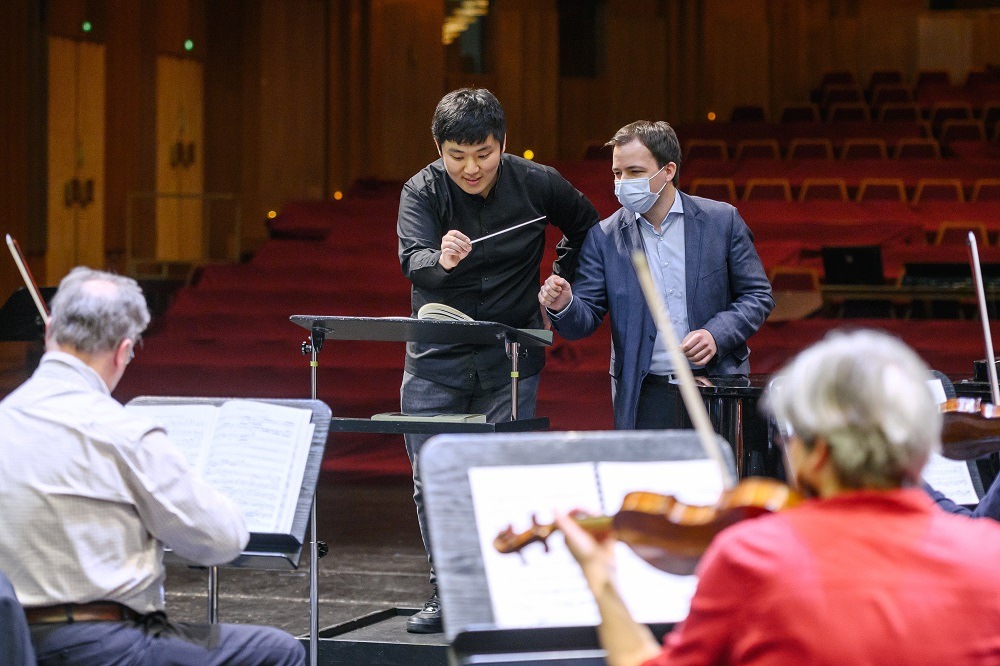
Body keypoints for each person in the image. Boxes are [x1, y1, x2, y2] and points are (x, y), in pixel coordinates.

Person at [557, 330, 1000, 665]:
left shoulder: (754, 559)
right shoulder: (990, 555)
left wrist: (600, 577)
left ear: (818, 453)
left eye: (789, 439)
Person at [0, 268, 304, 666]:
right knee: (278, 651)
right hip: (102, 646)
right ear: (124, 350)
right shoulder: (124, 433)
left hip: (13, 644)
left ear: (49, 331)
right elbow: (221, 540)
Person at [397, 87, 600, 633]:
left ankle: (506, 593)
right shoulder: (420, 190)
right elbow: (412, 261)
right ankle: (449, 593)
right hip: (434, 360)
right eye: (456, 156)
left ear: (503, 144)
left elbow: (585, 224)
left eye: (483, 154)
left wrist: (562, 275)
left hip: (510, 358)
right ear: (438, 148)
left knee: (505, 479)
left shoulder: (536, 182)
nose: (470, 168)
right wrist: (440, 259)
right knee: (432, 480)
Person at [539, 120, 774, 430]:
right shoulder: (604, 236)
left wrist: (716, 334)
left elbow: (758, 295)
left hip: (717, 387)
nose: (622, 182)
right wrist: (564, 304)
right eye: (617, 173)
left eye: (634, 172)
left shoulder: (721, 220)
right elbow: (582, 321)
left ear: (668, 171)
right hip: (646, 393)